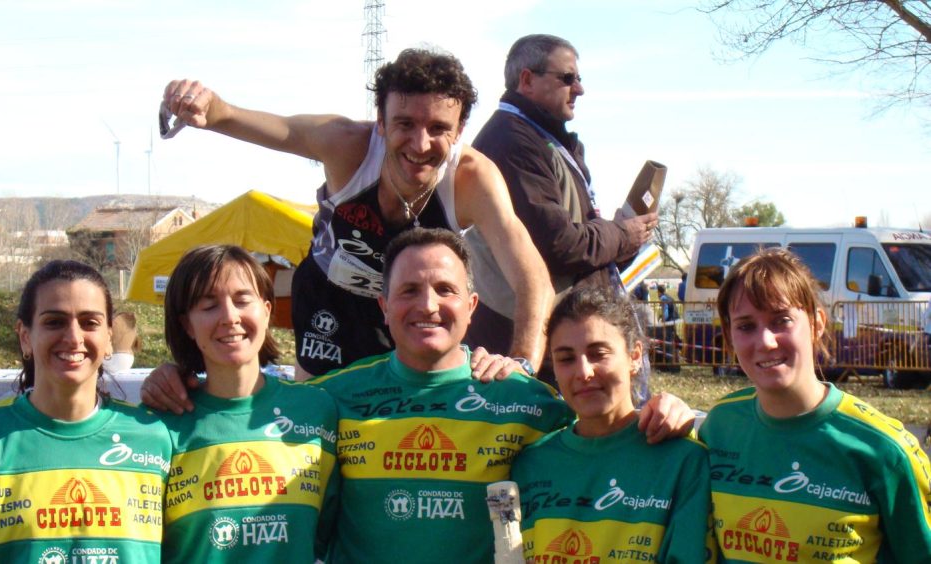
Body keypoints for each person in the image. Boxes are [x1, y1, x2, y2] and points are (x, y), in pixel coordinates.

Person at [305, 227, 693, 563]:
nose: (428, 305)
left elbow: (605, 428)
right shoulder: (330, 399)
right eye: (409, 290)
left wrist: (664, 409)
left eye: (445, 290)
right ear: (384, 306)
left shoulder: (525, 401)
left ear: (471, 306)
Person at [161, 47, 553, 379]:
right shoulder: (346, 145)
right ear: (380, 122)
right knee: (322, 418)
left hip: (410, 306)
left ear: (460, 129)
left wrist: (521, 364)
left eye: (438, 128)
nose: (420, 144)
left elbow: (533, 279)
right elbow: (248, 120)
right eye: (405, 124)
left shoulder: (472, 178)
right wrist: (206, 108)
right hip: (330, 298)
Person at [0, 260, 172, 563]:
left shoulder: (154, 438)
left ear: (110, 337)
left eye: (89, 322)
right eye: (54, 322)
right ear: (25, 336)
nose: (73, 337)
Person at [699, 247, 931, 560]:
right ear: (729, 335)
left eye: (781, 320)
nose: (765, 341)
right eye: (746, 326)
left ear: (817, 323)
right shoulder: (720, 425)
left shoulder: (885, 452)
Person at [465, 34, 658, 385]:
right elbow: (557, 245)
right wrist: (621, 234)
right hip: (523, 345)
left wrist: (625, 242)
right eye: (568, 78)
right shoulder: (511, 140)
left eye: (579, 79)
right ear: (527, 80)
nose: (579, 89)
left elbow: (576, 250)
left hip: (558, 340)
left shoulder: (541, 138)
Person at [159, 245, 338, 562]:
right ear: (187, 324)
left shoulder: (317, 409)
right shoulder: (161, 424)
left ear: (267, 311)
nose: (229, 317)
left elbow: (329, 533)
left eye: (242, 300)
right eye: (209, 305)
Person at [511, 287, 712, 562]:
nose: (583, 372)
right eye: (567, 358)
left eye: (598, 353)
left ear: (634, 357)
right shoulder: (529, 463)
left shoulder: (683, 461)